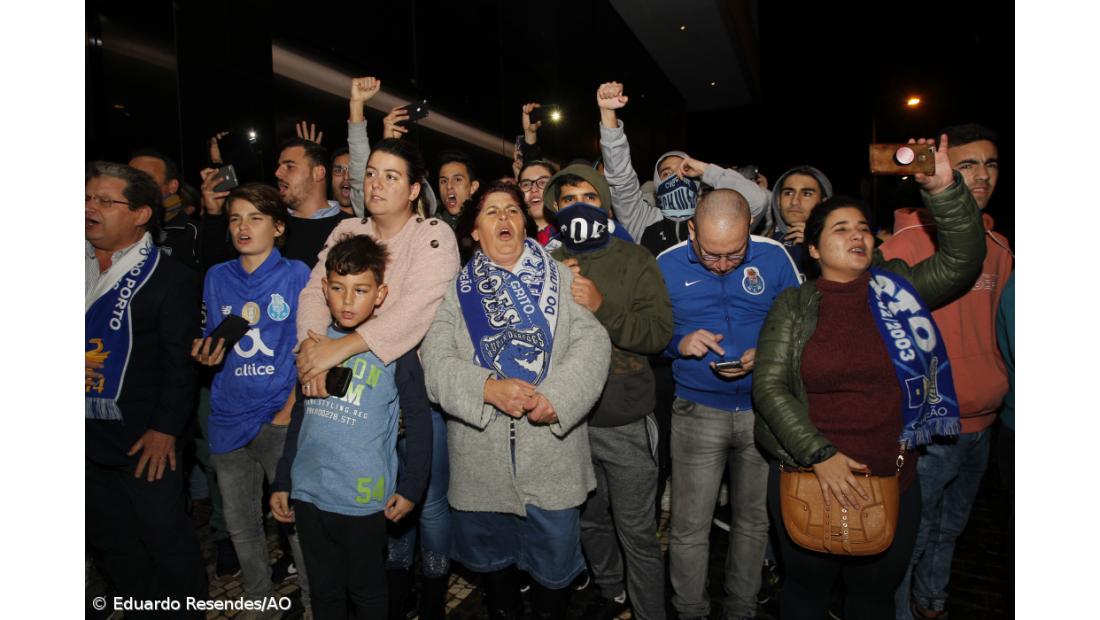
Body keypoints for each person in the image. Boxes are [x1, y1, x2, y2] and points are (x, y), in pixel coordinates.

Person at [752, 135, 987, 620]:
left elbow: (963, 262)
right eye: (840, 229)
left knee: (873, 600)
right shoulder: (794, 306)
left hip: (893, 477)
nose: (857, 235)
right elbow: (770, 388)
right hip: (806, 476)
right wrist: (821, 456)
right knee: (805, 597)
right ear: (814, 248)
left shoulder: (897, 288)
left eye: (862, 227)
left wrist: (944, 189)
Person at [423, 181, 612, 619]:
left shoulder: (564, 277)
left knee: (553, 576)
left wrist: (558, 397)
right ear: (474, 230)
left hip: (553, 461)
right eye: (492, 212)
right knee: (496, 575)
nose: (504, 219)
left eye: (512, 210)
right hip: (480, 463)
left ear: (525, 222)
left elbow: (593, 344)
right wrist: (485, 388)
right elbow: (435, 362)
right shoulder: (457, 291)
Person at [880, 123, 1013, 620]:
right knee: (911, 533)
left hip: (988, 418)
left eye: (991, 164)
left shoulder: (1000, 248)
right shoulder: (904, 246)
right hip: (932, 426)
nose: (982, 175)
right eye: (968, 164)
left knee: (951, 527)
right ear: (940, 169)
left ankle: (931, 600)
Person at [269, 234, 433, 620]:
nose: (347, 301)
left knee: (367, 590)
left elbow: (421, 421)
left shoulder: (396, 351)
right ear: (324, 289)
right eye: (338, 289)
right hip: (310, 491)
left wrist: (412, 487)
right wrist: (283, 479)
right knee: (324, 591)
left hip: (362, 498)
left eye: (360, 290)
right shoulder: (316, 346)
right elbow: (300, 417)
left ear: (380, 294)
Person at [656, 188, 801, 620]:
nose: (722, 265)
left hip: (764, 409)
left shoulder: (775, 258)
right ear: (691, 231)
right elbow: (647, 334)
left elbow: (803, 324)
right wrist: (678, 343)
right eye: (711, 254)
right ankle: (690, 611)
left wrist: (770, 353)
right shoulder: (665, 264)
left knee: (754, 522)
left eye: (735, 255)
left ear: (751, 234)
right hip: (696, 412)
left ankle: (741, 609)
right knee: (688, 527)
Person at [540, 165, 672, 620]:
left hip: (626, 419)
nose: (579, 205)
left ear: (605, 205)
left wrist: (601, 305)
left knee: (636, 530)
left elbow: (657, 335)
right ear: (556, 208)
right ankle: (611, 592)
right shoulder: (545, 263)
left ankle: (650, 610)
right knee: (590, 521)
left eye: (590, 197)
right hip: (569, 423)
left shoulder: (636, 260)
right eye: (569, 197)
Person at [86, 161, 207, 617]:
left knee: (165, 542)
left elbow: (181, 366)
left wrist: (164, 429)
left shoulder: (170, 278)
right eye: (87, 197)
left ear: (140, 215)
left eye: (105, 200)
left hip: (143, 441)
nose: (90, 208)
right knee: (112, 541)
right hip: (84, 440)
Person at [191, 183, 312, 616]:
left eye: (256, 218)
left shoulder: (297, 274)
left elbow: (309, 345)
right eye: (235, 218)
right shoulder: (217, 276)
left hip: (277, 417)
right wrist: (204, 351)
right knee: (242, 528)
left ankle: (317, 604)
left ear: (278, 226)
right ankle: (261, 604)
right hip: (226, 417)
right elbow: (211, 339)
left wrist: (288, 411)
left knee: (294, 524)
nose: (244, 227)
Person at [595, 81, 770, 256]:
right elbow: (621, 179)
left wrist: (706, 170)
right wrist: (608, 113)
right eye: (666, 173)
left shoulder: (713, 218)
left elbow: (757, 203)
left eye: (684, 170)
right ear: (657, 185)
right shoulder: (642, 220)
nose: (676, 178)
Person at [275, 137, 355, 266]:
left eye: (290, 166)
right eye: (279, 166)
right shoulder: (272, 226)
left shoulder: (352, 228)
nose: (278, 173)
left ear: (318, 173)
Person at [130, 149, 201, 270]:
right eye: (130, 177)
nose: (136, 185)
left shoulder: (194, 233)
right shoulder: (116, 228)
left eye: (146, 178)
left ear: (172, 186)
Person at [763, 166, 834, 268]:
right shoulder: (762, 241)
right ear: (778, 200)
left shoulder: (842, 242)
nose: (795, 201)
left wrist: (817, 243)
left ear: (824, 202)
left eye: (806, 194)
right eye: (788, 193)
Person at [518, 159, 559, 247]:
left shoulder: (571, 234)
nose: (534, 189)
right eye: (526, 184)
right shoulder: (512, 238)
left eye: (542, 182)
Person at [437, 149, 480, 229]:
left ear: (473, 187)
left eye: (457, 179)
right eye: (443, 181)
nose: (449, 186)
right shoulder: (431, 227)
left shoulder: (484, 226)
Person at [330, 146, 354, 215]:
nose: (346, 177)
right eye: (338, 170)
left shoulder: (373, 223)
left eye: (353, 171)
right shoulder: (316, 216)